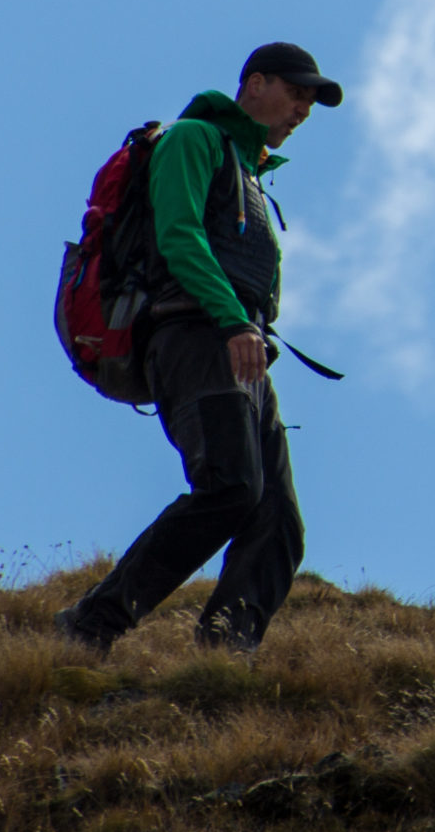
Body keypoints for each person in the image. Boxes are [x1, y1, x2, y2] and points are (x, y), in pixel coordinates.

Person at [57, 41, 343, 656]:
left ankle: (224, 656)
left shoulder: (249, 173)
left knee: (278, 521)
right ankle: (89, 625)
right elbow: (180, 236)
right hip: (194, 336)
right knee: (230, 489)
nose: (303, 110)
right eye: (296, 93)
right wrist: (234, 322)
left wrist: (245, 330)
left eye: (310, 102)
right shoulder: (194, 138)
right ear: (255, 84)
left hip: (241, 351)